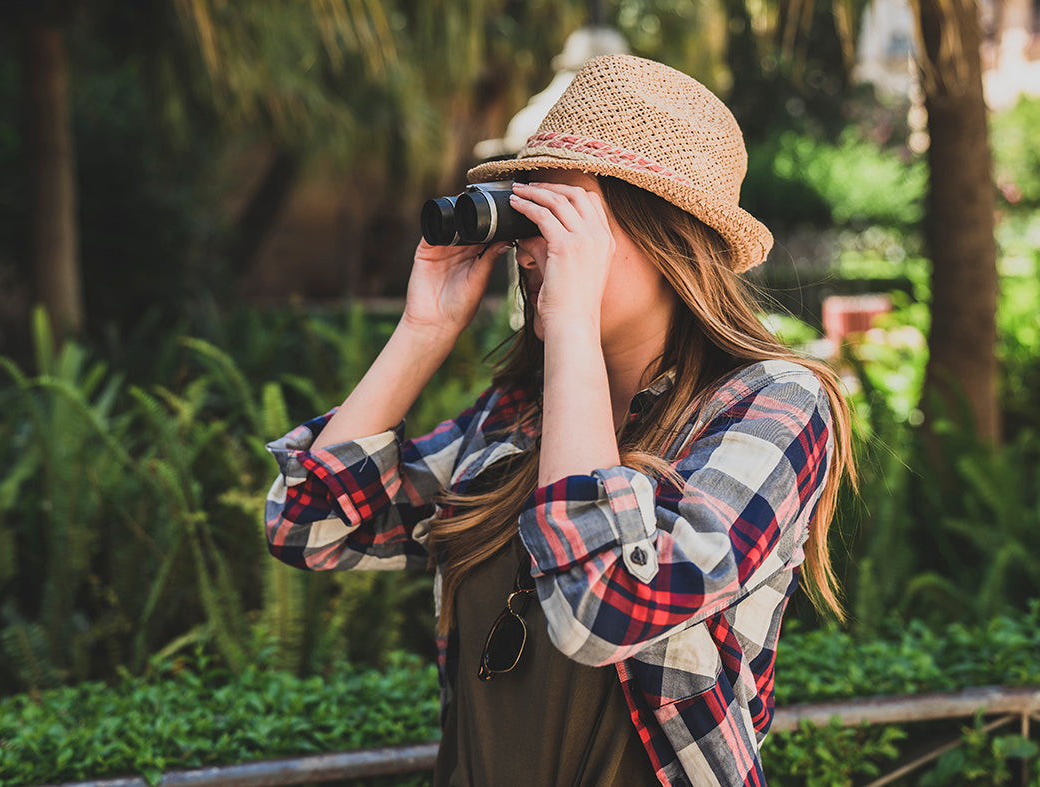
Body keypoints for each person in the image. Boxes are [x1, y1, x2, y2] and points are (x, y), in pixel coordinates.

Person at [264, 54, 854, 787]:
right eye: (525, 214)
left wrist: (571, 318)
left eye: (564, 219)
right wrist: (422, 328)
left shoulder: (771, 405)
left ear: (666, 234)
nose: (533, 248)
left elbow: (605, 608)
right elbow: (311, 524)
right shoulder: (520, 418)